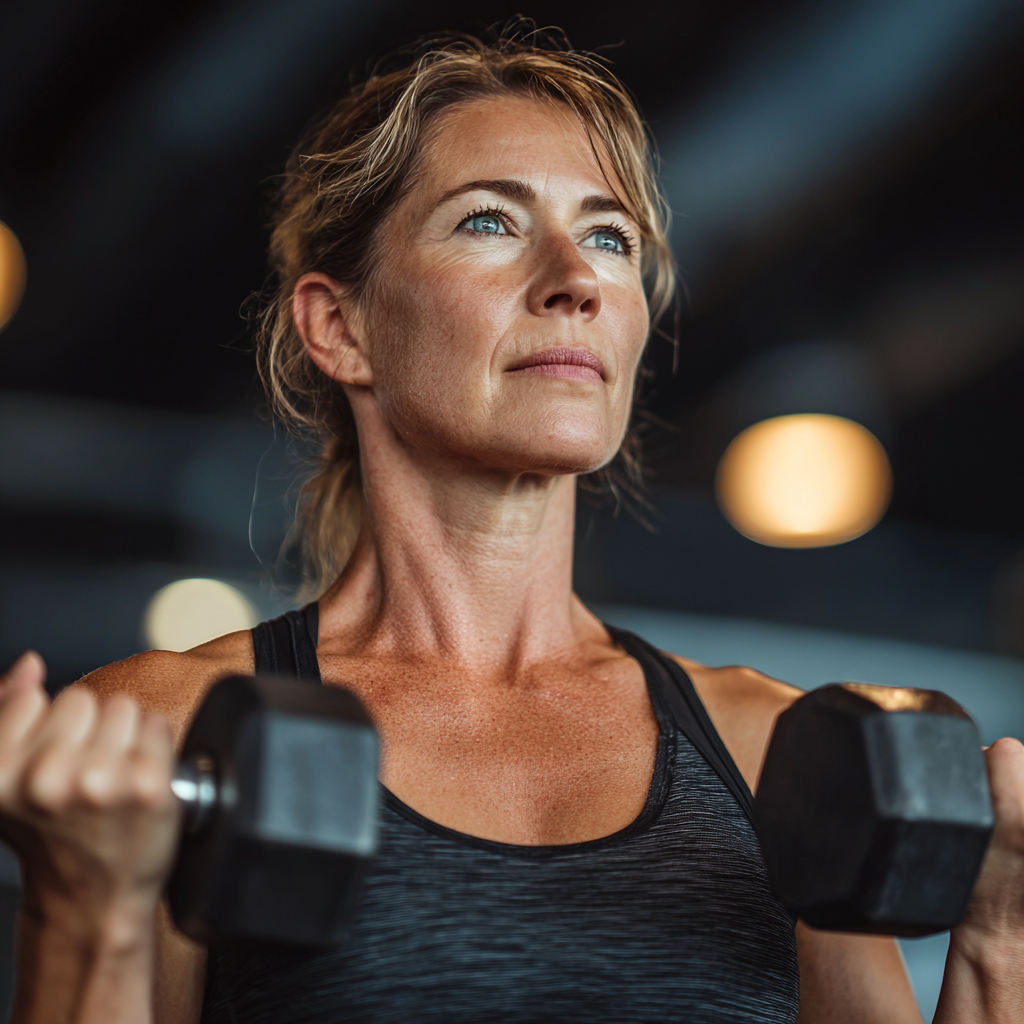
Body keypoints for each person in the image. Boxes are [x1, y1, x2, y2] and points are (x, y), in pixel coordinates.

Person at [1, 28, 1022, 1024]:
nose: (574, 279)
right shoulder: (168, 728)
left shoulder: (775, 752)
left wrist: (997, 937)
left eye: (609, 237)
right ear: (339, 326)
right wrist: (82, 905)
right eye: (489, 221)